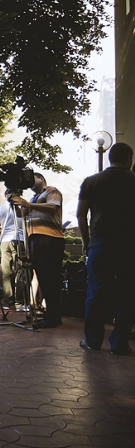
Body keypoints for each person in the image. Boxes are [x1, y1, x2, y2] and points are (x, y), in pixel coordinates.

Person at [76, 142, 135, 355]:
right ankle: (119, 343)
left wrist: (86, 241)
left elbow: (81, 214)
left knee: (96, 293)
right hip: (129, 247)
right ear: (129, 157)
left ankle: (92, 340)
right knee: (129, 295)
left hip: (99, 246)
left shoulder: (91, 182)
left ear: (109, 157)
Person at [12, 173, 65, 329]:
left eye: (33, 178)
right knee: (43, 278)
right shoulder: (34, 198)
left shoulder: (51, 191)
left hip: (50, 238)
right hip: (36, 239)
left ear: (42, 179)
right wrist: (15, 203)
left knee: (51, 278)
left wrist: (28, 205)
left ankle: (53, 316)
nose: (29, 181)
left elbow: (53, 207)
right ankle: (52, 315)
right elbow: (21, 214)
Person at [0, 189, 26, 310]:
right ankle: (19, 302)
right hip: (19, 239)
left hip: (4, 241)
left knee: (6, 273)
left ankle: (7, 301)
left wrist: (5, 230)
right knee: (20, 272)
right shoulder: (23, 207)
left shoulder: (0, 209)